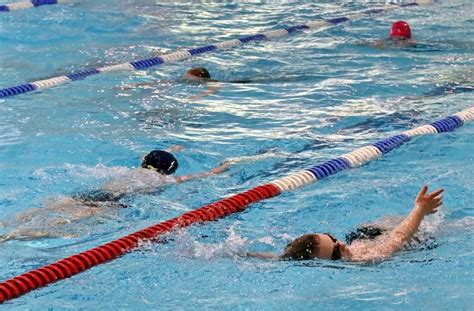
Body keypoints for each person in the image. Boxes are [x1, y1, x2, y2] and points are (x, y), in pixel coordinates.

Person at [0, 147, 230, 242]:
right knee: (59, 224)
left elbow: (145, 156)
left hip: (91, 193)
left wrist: (172, 147)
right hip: (111, 203)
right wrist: (217, 170)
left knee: (42, 211)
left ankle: (5, 226)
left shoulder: (130, 170)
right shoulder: (163, 179)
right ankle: (8, 239)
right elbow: (197, 176)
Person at [248, 185, 443, 262]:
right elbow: (399, 237)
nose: (340, 244)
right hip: (392, 241)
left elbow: (282, 258)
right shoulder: (364, 260)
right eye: (335, 251)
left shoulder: (345, 247)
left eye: (333, 239)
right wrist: (420, 209)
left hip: (364, 236)